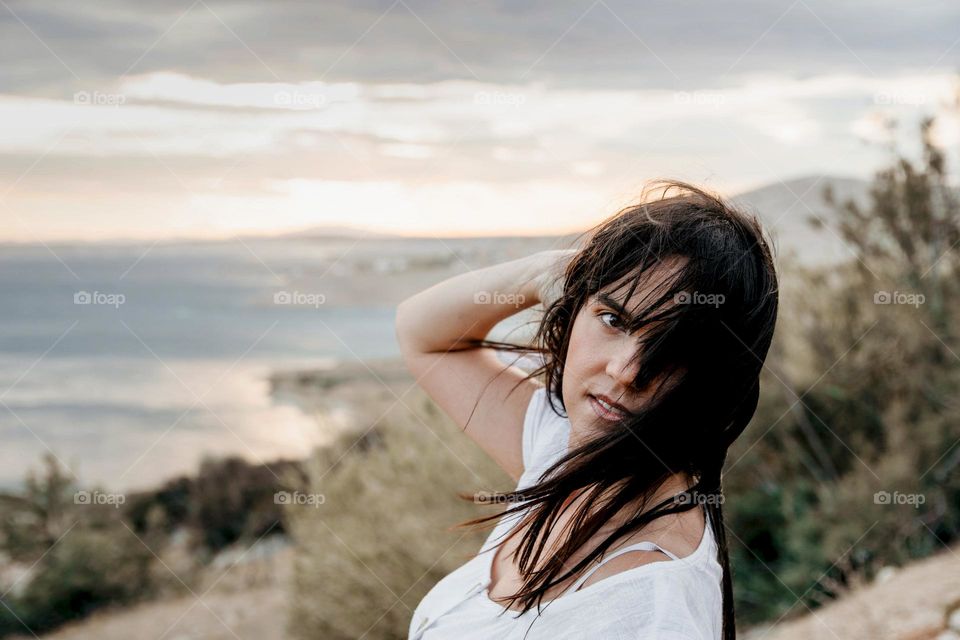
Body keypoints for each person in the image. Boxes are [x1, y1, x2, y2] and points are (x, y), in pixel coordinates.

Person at [395, 180, 780, 639]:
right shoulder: (562, 450)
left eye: (674, 348)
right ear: (573, 310)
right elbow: (422, 334)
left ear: (715, 379)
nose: (625, 370)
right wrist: (545, 274)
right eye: (614, 319)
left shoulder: (652, 609)